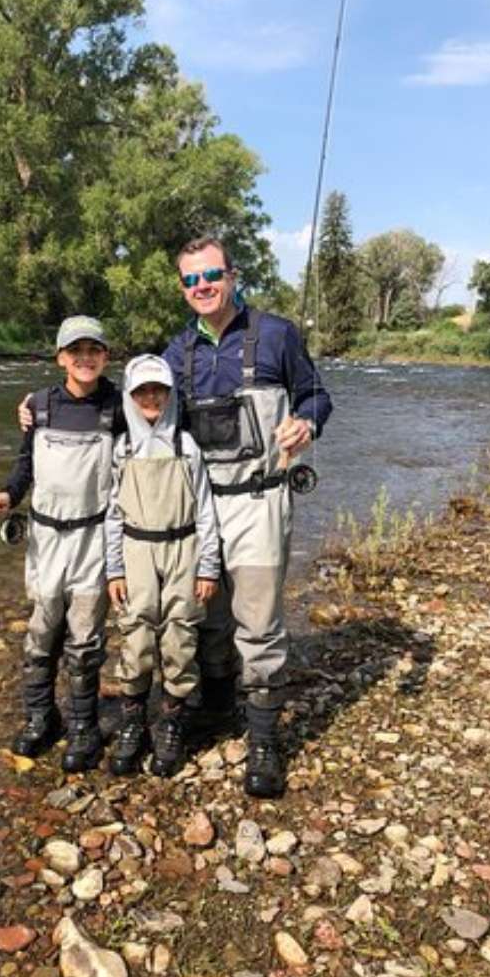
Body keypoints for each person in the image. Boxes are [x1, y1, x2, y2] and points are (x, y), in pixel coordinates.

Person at [162, 235, 333, 798]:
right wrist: (42, 409)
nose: (201, 287)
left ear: (232, 275)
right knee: (205, 614)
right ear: (182, 287)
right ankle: (215, 709)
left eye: (210, 275)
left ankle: (262, 739)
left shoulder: (277, 334)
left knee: (258, 623)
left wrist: (306, 424)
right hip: (201, 503)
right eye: (190, 280)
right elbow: (136, 417)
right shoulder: (175, 354)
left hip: (262, 499)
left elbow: (316, 396)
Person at [0, 315, 122, 772]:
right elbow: (25, 465)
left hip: (93, 539)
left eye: (93, 350)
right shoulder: (38, 407)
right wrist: (8, 494)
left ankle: (83, 725)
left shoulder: (120, 407)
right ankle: (42, 718)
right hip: (45, 540)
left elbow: (162, 415)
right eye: (75, 351)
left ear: (105, 357)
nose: (85, 358)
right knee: (41, 633)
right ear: (61, 358)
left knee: (85, 638)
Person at [105, 354, 219, 778]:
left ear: (170, 395)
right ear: (129, 396)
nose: (151, 397)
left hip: (183, 549)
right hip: (135, 550)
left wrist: (208, 566)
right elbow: (112, 515)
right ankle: (133, 721)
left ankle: (171, 720)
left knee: (180, 635)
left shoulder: (186, 446)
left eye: (159, 390)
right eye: (142, 391)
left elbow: (206, 511)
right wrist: (113, 569)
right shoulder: (121, 447)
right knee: (134, 635)